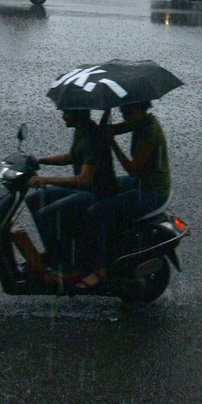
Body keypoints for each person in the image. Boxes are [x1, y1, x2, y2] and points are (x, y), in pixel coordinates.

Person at [78, 101, 170, 292]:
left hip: (152, 191)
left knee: (97, 212)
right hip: (143, 183)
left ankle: (100, 269)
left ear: (138, 110)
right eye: (122, 113)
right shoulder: (141, 122)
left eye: (127, 113)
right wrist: (102, 126)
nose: (125, 117)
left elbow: (133, 169)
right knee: (104, 189)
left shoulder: (149, 132)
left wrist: (112, 143)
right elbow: (119, 128)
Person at [25, 108, 116, 272]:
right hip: (85, 190)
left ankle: (65, 264)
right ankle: (55, 253)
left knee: (47, 213)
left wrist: (44, 179)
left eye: (67, 113)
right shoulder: (81, 130)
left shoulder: (93, 137)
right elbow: (71, 157)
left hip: (96, 194)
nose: (63, 116)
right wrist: (41, 161)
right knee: (34, 199)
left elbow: (84, 180)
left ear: (78, 114)